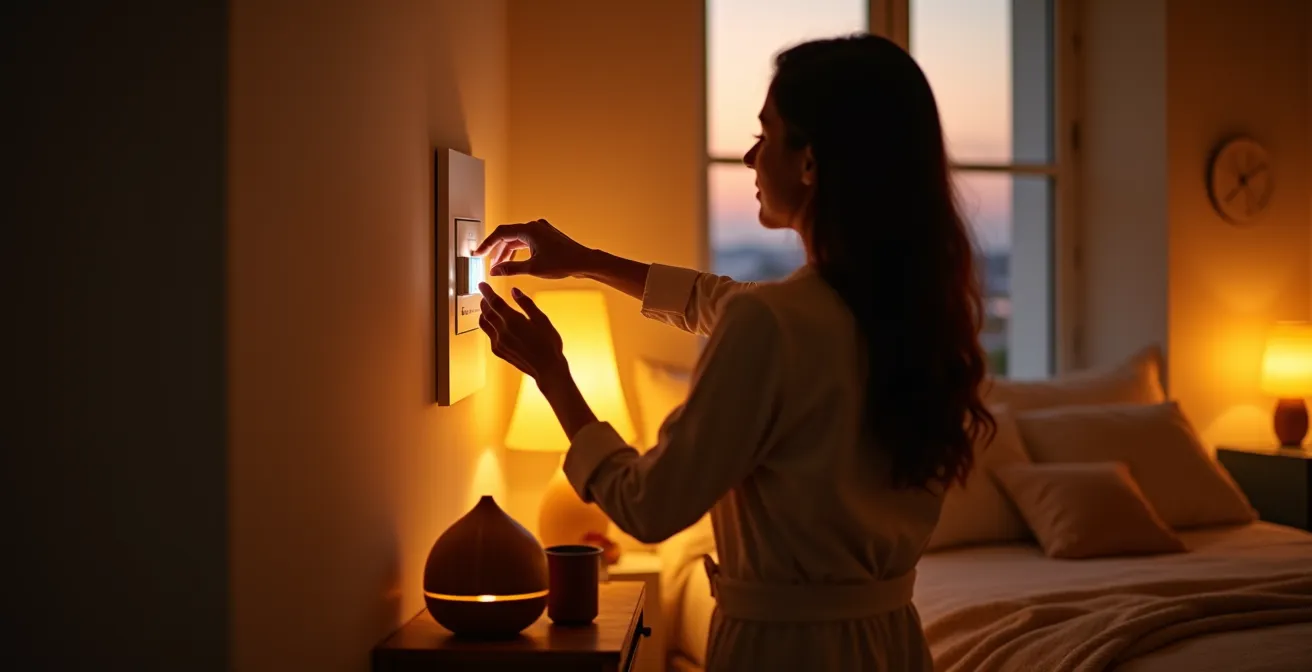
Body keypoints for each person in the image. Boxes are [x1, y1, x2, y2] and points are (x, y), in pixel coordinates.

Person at [473, 33, 994, 671]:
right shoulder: (911, 318)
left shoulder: (775, 324)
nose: (751, 156)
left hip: (783, 652)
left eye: (765, 134)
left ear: (811, 163)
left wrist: (552, 373)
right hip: (893, 646)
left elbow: (647, 503)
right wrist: (585, 261)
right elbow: (714, 300)